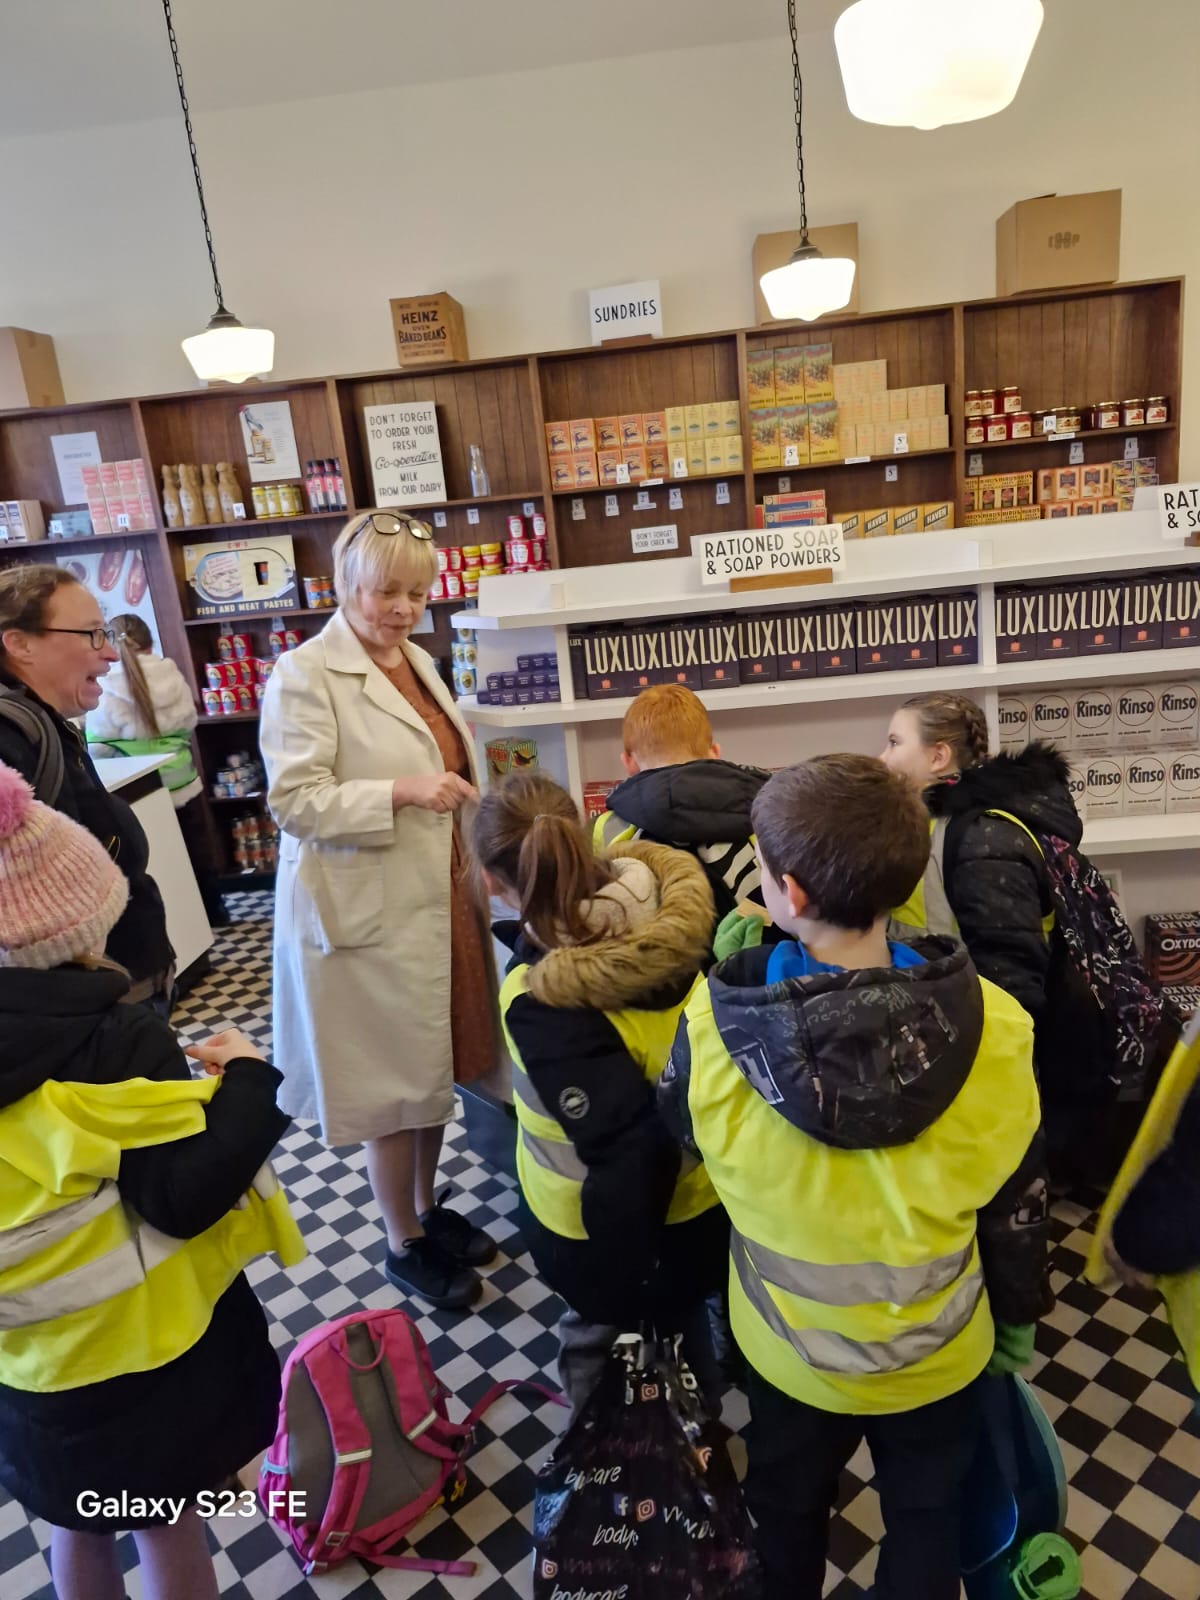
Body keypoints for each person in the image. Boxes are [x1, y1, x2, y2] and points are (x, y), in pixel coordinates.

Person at [660, 755, 1050, 1600]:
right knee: (927, 1522)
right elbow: (1018, 1196)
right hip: (940, 1352)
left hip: (790, 1354)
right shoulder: (1001, 1025)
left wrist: (736, 978)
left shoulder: (712, 1032)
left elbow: (682, 1139)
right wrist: (1017, 1317)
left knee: (785, 1513)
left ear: (789, 893)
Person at [0, 761, 302, 1600]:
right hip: (147, 1351)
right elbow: (181, 1196)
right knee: (165, 1521)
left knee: (74, 1520)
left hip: (31, 1364)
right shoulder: (119, 1041)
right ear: (80, 924)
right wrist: (248, 1082)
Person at [260, 510, 499, 1312]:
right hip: (366, 913)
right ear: (345, 583)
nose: (402, 608)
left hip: (436, 896)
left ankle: (427, 1209)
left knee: (433, 1066)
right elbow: (295, 801)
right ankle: (402, 1241)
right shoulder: (304, 673)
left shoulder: (415, 661)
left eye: (416, 593)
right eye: (385, 590)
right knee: (393, 1084)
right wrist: (400, 791)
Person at [472, 769, 727, 1410]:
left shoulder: (542, 1002)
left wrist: (619, 1277)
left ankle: (610, 1452)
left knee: (606, 1356)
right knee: (684, 1330)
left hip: (605, 1233)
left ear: (494, 883)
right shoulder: (672, 918)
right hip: (706, 1197)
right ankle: (699, 1429)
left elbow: (631, 1155)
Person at [878, 692, 1111, 1182]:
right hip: (950, 1030)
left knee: (1004, 1178)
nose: (883, 756)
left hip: (986, 1044)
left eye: (895, 742)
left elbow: (1011, 976)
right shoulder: (935, 827)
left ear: (938, 756)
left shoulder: (982, 837)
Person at [0, 566, 173, 1007]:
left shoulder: (43, 723)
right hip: (88, 1005)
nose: (111, 654)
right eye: (92, 635)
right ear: (19, 644)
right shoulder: (12, 735)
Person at [85, 613, 226, 927]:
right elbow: (189, 722)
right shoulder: (170, 673)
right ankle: (214, 913)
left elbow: (98, 746)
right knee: (197, 849)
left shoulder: (105, 685)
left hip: (139, 791)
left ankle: (180, 927)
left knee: (158, 859)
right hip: (182, 780)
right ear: (150, 641)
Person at [592, 683, 768, 925]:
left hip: (652, 946)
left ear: (629, 763)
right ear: (714, 752)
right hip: (751, 945)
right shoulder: (763, 815)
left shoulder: (605, 829)